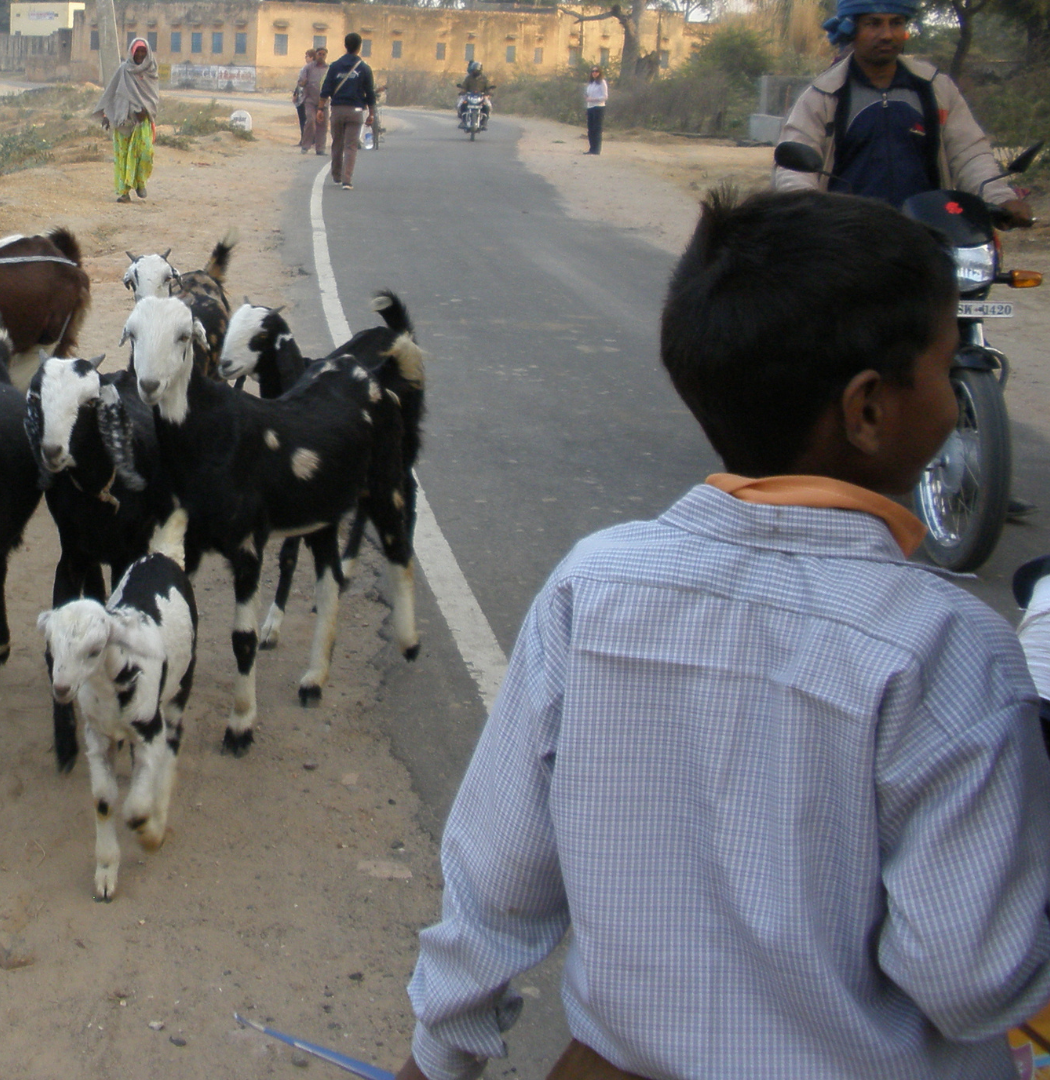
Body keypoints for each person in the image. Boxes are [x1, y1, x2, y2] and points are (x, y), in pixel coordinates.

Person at [395, 188, 1050, 1080]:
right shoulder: (951, 650)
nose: (957, 395)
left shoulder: (594, 587)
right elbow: (969, 976)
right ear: (868, 409)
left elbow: (493, 882)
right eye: (944, 364)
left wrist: (437, 1060)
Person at [773, 0, 1034, 226]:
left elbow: (969, 154)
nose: (887, 34)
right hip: (848, 241)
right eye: (874, 24)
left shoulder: (936, 88)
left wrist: (1000, 198)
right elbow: (793, 170)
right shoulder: (823, 95)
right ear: (851, 30)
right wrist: (801, 208)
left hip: (930, 235)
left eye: (896, 23)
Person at [93, 38, 159, 204]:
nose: (140, 54)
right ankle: (124, 193)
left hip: (142, 121)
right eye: (137, 51)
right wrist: (107, 115)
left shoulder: (151, 70)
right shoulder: (124, 70)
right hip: (123, 119)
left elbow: (153, 97)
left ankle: (140, 183)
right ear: (132, 52)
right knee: (122, 157)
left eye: (143, 51)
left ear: (148, 53)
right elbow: (112, 92)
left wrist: (146, 110)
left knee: (145, 154)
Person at [319, 33, 375, 190]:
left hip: (337, 110)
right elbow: (370, 93)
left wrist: (320, 108)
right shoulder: (364, 68)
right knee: (350, 146)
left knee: (337, 143)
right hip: (356, 111)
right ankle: (347, 180)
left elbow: (326, 88)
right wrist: (371, 114)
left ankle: (336, 176)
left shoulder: (335, 66)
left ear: (345, 45)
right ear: (359, 47)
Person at [296, 47, 329, 156]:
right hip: (310, 100)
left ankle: (320, 149)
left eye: (323, 54)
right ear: (316, 55)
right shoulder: (308, 68)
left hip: (324, 102)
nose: (321, 56)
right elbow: (300, 82)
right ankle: (305, 146)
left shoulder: (328, 69)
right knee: (310, 121)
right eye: (319, 54)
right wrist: (304, 83)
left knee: (322, 125)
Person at [456, 60, 494, 130]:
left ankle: (484, 122)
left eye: (477, 70)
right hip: (469, 95)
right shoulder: (468, 78)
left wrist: (488, 92)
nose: (475, 72)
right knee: (461, 104)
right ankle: (463, 121)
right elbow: (464, 86)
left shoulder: (484, 79)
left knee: (488, 106)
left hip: (481, 96)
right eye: (474, 70)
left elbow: (488, 87)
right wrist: (463, 91)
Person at [583, 67, 607, 154]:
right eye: (593, 71)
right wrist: (586, 97)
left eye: (596, 71)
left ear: (599, 73)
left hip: (598, 107)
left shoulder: (602, 82)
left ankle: (597, 149)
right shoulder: (591, 83)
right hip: (590, 107)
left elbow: (605, 96)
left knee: (597, 129)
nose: (594, 73)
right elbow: (588, 94)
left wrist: (593, 99)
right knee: (590, 129)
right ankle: (591, 148)